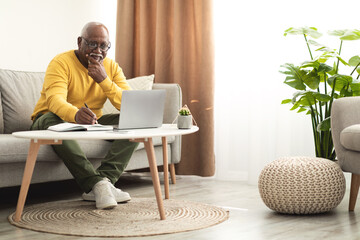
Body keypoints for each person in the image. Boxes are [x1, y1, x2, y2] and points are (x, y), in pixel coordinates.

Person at [30, 22, 139, 210]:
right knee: (51, 119)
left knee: (136, 121)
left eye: (103, 45)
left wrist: (104, 81)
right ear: (80, 42)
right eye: (92, 44)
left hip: (92, 123)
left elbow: (131, 105)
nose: (98, 50)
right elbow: (55, 101)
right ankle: (96, 184)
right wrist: (75, 114)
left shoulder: (111, 67)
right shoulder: (61, 62)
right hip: (50, 118)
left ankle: (103, 182)